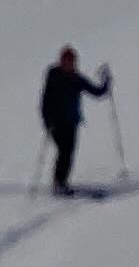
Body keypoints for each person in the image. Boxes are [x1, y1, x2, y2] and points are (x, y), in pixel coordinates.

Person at [39, 45, 112, 192]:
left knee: (68, 153)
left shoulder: (76, 79)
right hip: (57, 123)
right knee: (64, 152)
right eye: (66, 61)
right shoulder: (54, 77)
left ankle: (60, 182)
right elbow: (45, 102)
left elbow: (96, 91)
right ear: (61, 61)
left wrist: (106, 83)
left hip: (71, 123)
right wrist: (47, 121)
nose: (69, 64)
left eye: (72, 61)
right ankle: (59, 183)